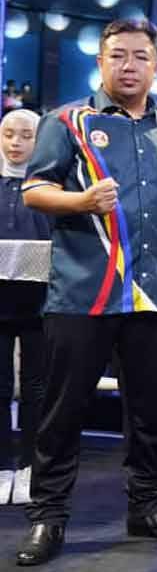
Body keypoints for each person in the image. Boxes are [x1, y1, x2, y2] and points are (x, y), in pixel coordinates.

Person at [16, 18, 157, 565]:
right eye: (117, 56)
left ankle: (148, 508)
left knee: (151, 409)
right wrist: (81, 203)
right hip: (83, 291)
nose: (128, 66)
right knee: (63, 411)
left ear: (156, 65)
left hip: (153, 293)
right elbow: (35, 190)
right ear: (101, 62)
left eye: (138, 57)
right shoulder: (66, 120)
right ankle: (48, 518)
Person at [0, 109, 47, 506]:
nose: (15, 143)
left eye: (25, 135)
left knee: (37, 389)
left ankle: (30, 468)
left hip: (41, 300)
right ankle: (1, 468)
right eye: (8, 134)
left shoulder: (50, 184)